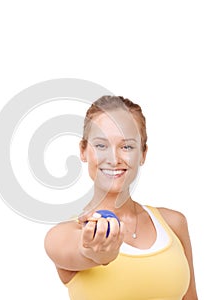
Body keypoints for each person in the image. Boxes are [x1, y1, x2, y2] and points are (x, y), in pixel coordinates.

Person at [44, 96, 198, 299]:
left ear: (143, 154)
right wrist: (95, 254)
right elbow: (80, 250)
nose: (114, 159)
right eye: (100, 146)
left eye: (127, 147)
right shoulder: (63, 235)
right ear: (83, 151)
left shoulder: (174, 223)